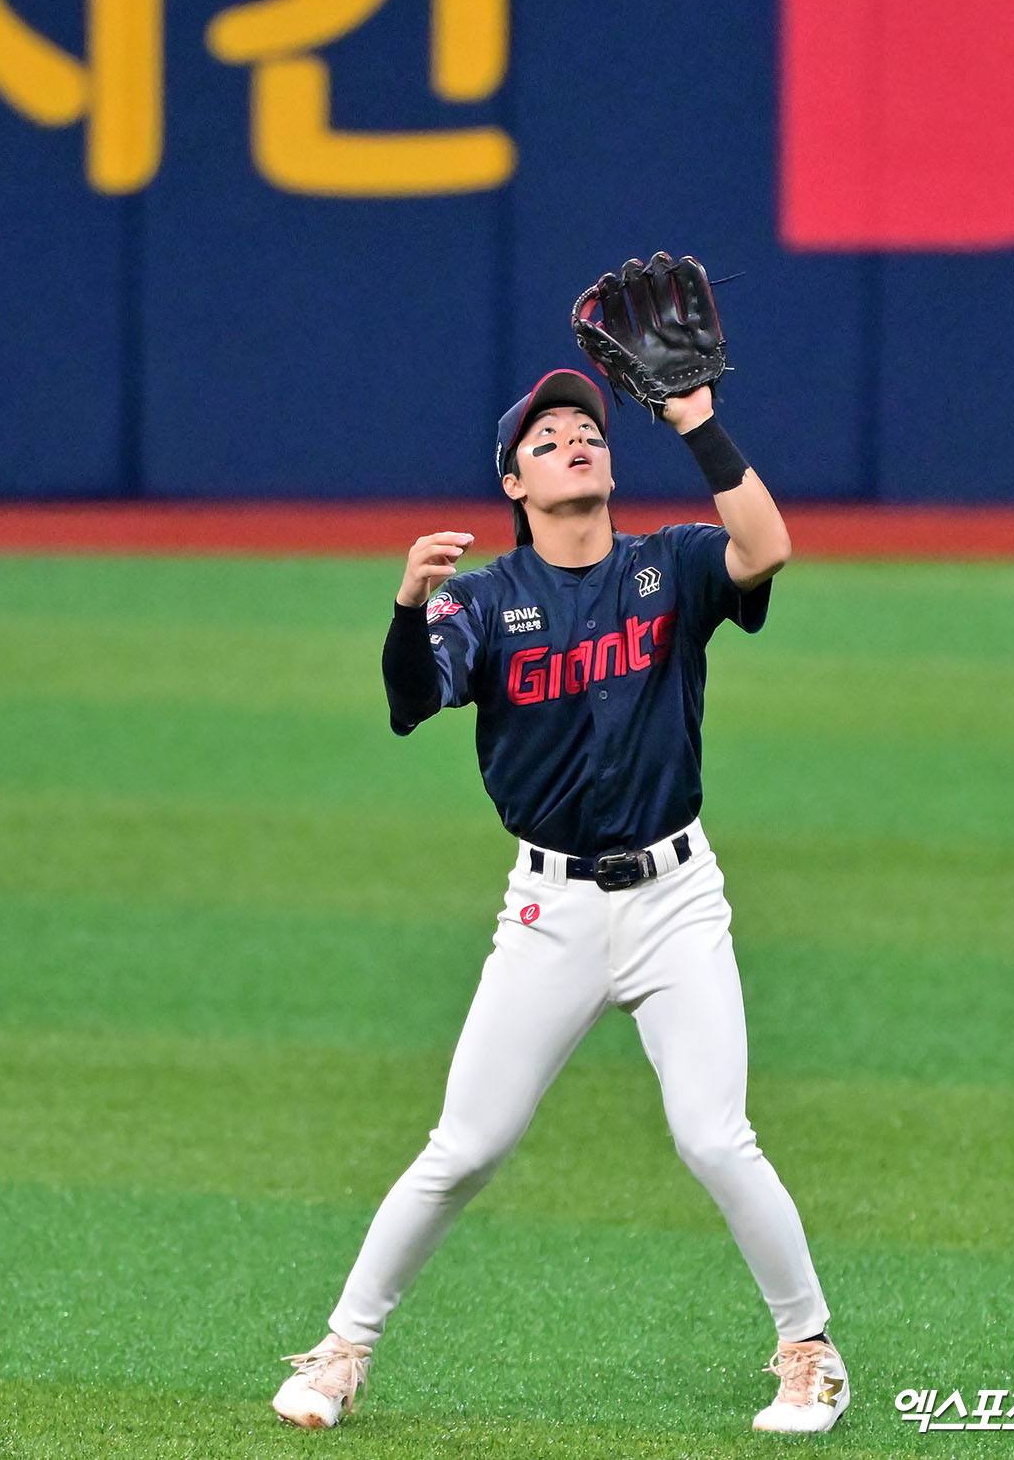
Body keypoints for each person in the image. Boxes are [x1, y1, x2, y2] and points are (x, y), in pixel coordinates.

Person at [272, 366, 849, 1435]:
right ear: (514, 482)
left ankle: (810, 1351)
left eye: (588, 428)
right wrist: (407, 605)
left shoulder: (671, 563)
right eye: (547, 439)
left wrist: (700, 423)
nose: (575, 440)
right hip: (550, 912)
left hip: (678, 901)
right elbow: (411, 700)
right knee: (466, 1144)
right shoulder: (484, 596)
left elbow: (766, 549)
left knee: (714, 1134)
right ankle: (343, 1349)